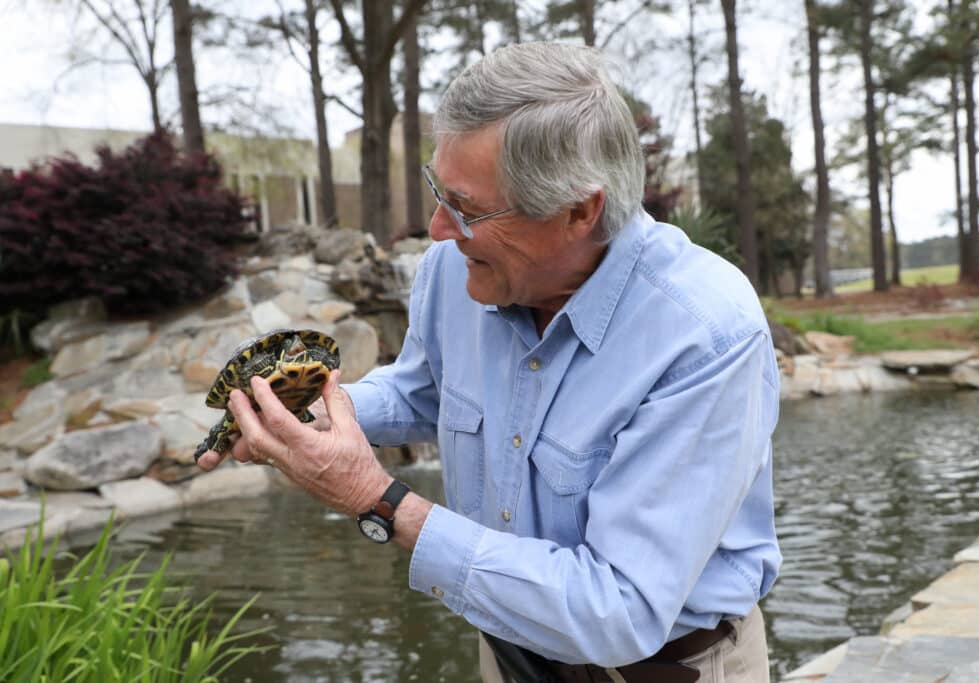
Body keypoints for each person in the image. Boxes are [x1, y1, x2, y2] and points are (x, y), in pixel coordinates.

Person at [198, 41, 781, 683]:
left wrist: (378, 500)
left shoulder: (706, 336)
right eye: (439, 191)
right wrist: (305, 415)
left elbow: (618, 610)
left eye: (469, 210)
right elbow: (424, 393)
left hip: (667, 667)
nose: (438, 228)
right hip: (505, 649)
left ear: (579, 210)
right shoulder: (456, 269)